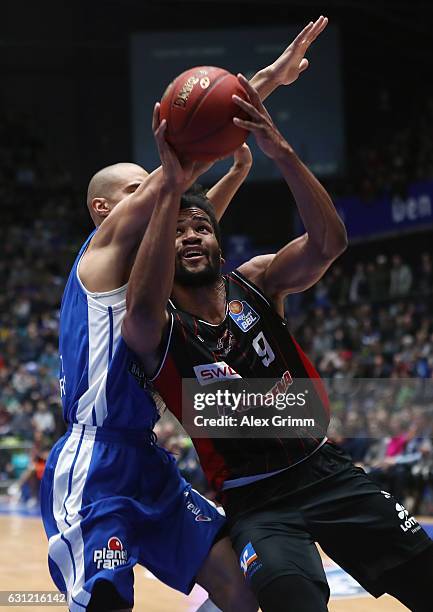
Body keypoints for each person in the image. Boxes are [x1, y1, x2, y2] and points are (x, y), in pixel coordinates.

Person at [40, 17, 330, 611]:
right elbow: (182, 171)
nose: (154, 190)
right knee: (103, 603)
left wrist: (234, 169)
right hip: (94, 462)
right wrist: (265, 83)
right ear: (103, 208)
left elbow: (185, 220)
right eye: (137, 188)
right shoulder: (102, 251)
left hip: (146, 457)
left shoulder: (149, 261)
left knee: (243, 592)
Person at [128, 76, 433, 612]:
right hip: (256, 502)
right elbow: (140, 309)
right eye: (175, 231)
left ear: (218, 240)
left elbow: (328, 243)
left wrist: (281, 152)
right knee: (293, 599)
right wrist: (171, 190)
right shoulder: (156, 327)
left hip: (326, 471)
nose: (189, 235)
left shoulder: (259, 280)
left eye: (199, 226)